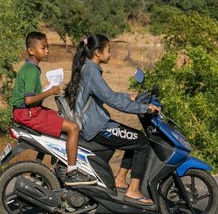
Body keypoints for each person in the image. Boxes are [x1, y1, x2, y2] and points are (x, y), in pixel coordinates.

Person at [64, 34, 161, 205]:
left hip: (92, 122)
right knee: (141, 142)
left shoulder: (88, 68)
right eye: (109, 50)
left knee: (134, 137)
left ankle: (121, 179)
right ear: (97, 52)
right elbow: (112, 100)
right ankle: (133, 190)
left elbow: (108, 95)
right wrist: (144, 108)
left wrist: (128, 96)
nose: (110, 54)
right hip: (95, 126)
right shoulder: (92, 71)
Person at [10, 31, 96, 186]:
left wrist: (45, 88)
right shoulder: (31, 71)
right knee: (73, 128)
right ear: (31, 50)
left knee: (61, 118)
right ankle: (71, 171)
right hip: (28, 113)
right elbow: (28, 100)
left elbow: (29, 94)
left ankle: (56, 165)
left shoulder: (29, 68)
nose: (47, 51)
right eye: (43, 48)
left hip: (27, 112)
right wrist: (50, 92)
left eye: (47, 47)